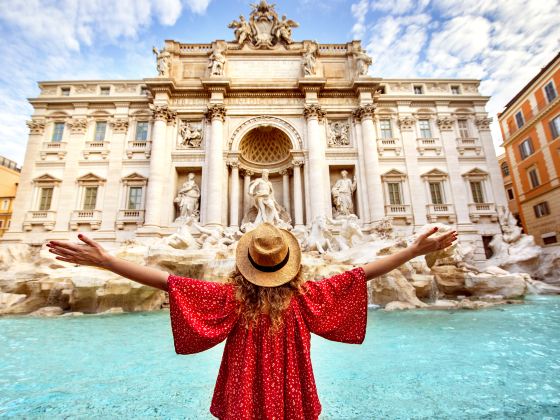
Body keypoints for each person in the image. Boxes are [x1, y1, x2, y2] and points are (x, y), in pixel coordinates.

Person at [46, 223, 456, 419]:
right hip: (292, 393)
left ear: (246, 266)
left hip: (241, 395)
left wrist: (107, 261)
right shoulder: (307, 296)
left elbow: (165, 281)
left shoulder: (228, 298)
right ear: (289, 265)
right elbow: (364, 272)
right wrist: (411, 251)